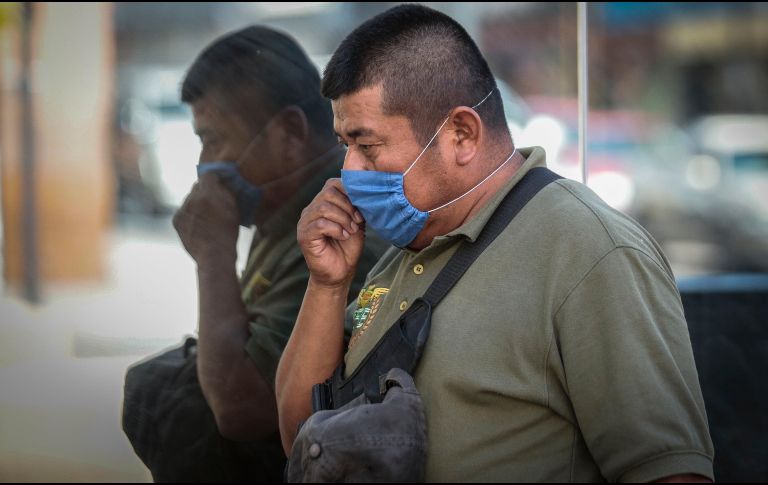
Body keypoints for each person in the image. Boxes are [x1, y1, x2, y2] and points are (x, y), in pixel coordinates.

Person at [276, 5, 714, 483]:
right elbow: (302, 439)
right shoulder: (408, 249)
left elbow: (670, 472)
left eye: (367, 145)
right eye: (345, 145)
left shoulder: (589, 250)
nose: (350, 172)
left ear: (462, 135)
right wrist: (327, 285)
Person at [122, 26, 386, 481]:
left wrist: (213, 256)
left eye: (215, 139)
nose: (206, 163)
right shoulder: (280, 211)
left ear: (289, 132)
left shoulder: (338, 230)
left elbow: (241, 411)